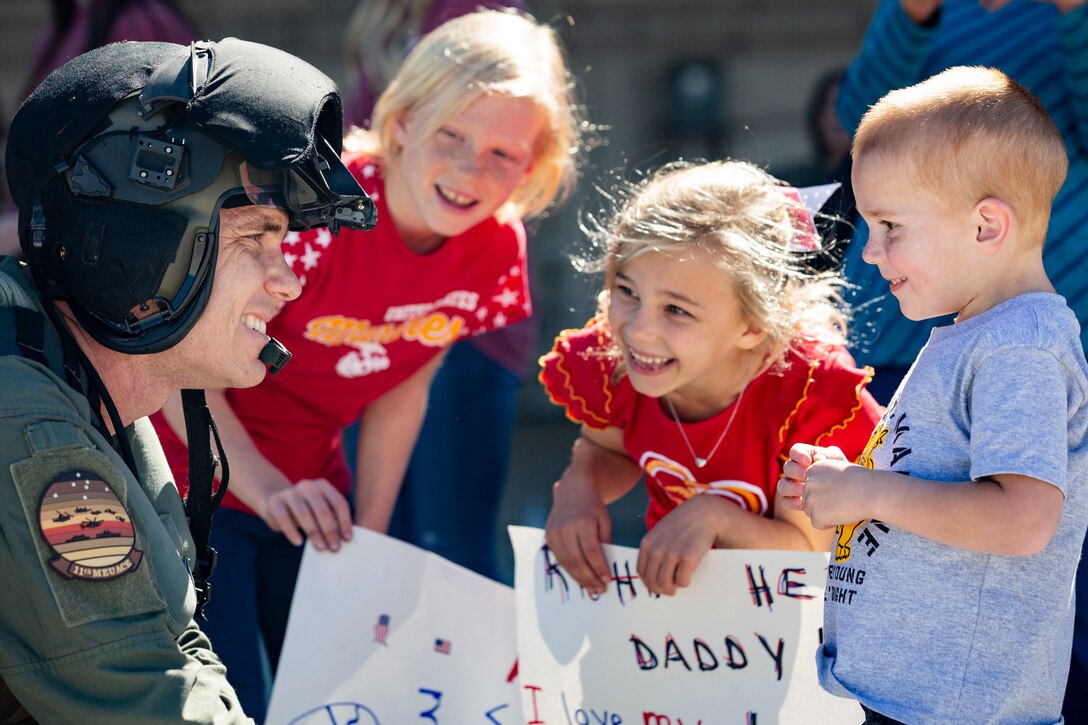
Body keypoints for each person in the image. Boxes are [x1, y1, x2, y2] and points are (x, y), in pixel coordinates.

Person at [150, 9, 586, 719]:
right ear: (404, 119)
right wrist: (261, 487)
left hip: (312, 496)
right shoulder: (317, 209)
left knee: (329, 701)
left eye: (505, 154)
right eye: (453, 134)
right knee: (229, 705)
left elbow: (402, 386)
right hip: (191, 487)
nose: (473, 168)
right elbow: (178, 360)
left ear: (535, 167)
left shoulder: (497, 249)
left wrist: (370, 542)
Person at [0, 37, 373, 723]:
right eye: (254, 239)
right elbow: (149, 692)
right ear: (139, 251)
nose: (288, 281)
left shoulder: (91, 386)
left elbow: (172, 636)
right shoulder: (30, 428)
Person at [780, 66, 1088, 725]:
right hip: (911, 704)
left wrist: (867, 493)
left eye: (890, 226)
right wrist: (844, 484)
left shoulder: (1018, 348)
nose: (870, 253)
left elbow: (1022, 519)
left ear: (986, 227)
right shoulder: (975, 336)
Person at [538, 159, 883, 598]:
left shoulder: (809, 393)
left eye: (676, 310)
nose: (638, 330)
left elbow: (806, 552)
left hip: (791, 630)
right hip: (685, 627)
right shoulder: (615, 362)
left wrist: (714, 517)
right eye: (628, 292)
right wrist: (579, 486)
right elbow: (607, 449)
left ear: (753, 326)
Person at [343, 0, 531, 581]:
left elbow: (491, 165)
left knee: (448, 551)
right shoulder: (387, 18)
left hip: (458, 317)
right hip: (367, 321)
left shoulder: (478, 11)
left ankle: (474, 675)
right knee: (380, 546)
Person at [834, 0, 1088, 406]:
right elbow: (857, 120)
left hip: (1041, 302)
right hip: (887, 326)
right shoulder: (922, 9)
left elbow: (1013, 475)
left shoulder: (1035, 350)